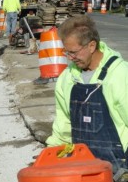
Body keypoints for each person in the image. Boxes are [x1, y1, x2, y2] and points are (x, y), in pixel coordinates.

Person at [46, 15, 128, 175]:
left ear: (91, 46)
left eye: (74, 52)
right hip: (83, 166)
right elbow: (63, 124)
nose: (70, 58)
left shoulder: (120, 75)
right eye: (66, 52)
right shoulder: (67, 78)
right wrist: (51, 154)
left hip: (120, 167)